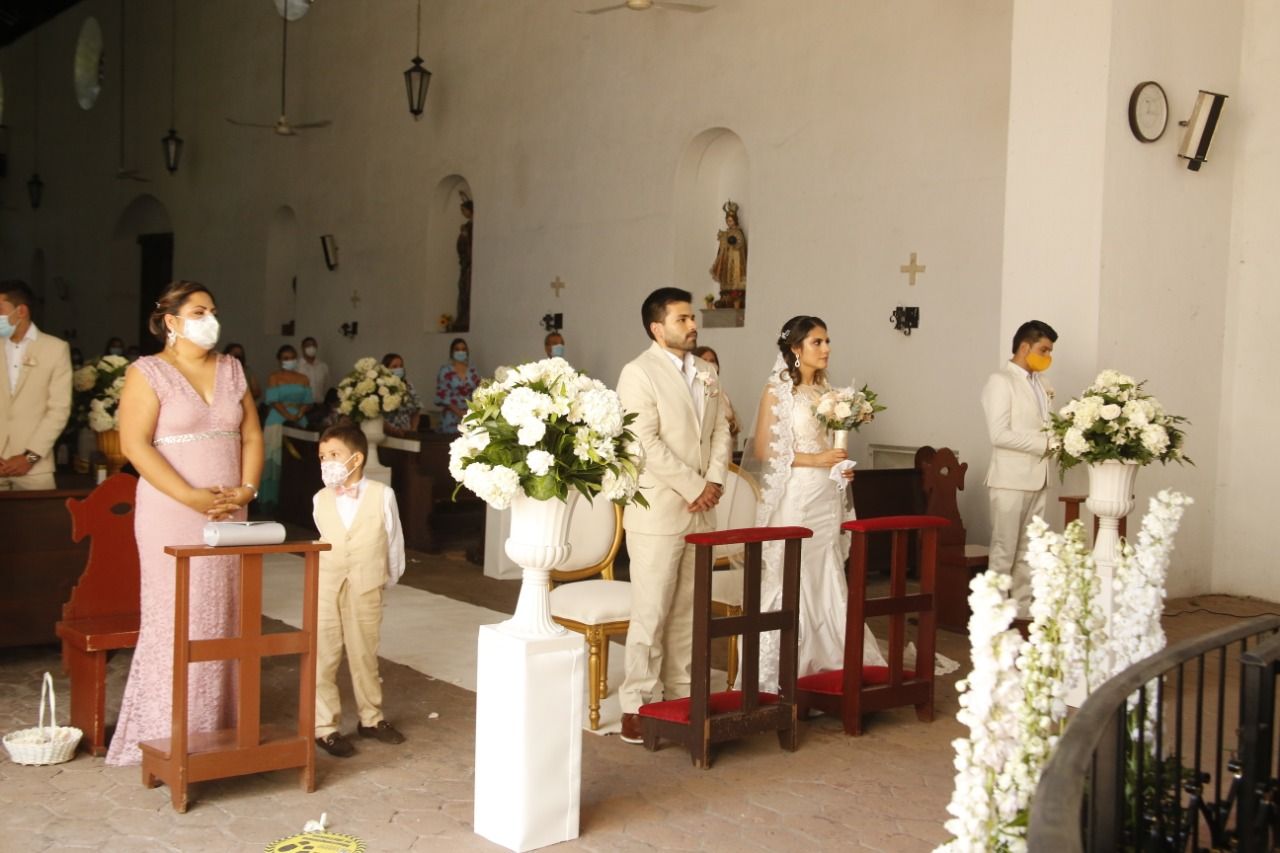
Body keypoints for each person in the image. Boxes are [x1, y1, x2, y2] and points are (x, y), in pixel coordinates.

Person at [106, 281, 264, 766]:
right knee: (178, 616)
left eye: (213, 310)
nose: (209, 319)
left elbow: (253, 434)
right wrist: (191, 496)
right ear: (171, 321)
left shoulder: (232, 368)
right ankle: (166, 734)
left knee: (225, 616)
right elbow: (134, 444)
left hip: (228, 509)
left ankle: (221, 731)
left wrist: (247, 489)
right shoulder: (148, 372)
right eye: (198, 311)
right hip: (171, 511)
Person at [740, 315, 888, 693]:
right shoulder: (778, 390)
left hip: (826, 493)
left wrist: (838, 468)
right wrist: (815, 461)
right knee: (794, 570)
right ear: (795, 349)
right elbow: (762, 450)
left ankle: (834, 659)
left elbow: (828, 446)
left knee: (827, 570)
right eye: (817, 342)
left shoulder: (827, 391)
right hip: (798, 493)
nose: (826, 349)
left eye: (827, 341)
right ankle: (781, 667)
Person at [616, 287, 732, 743]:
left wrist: (716, 480)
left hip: (701, 510)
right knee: (651, 611)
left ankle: (682, 693)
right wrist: (694, 486)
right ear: (656, 327)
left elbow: (721, 429)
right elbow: (644, 444)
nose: (692, 325)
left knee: (689, 609)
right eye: (682, 319)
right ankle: (639, 702)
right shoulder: (637, 372)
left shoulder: (706, 371)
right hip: (661, 510)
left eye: (692, 318)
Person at [312, 422, 407, 757]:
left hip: (367, 583)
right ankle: (325, 727)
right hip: (326, 584)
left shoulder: (383, 495)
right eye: (323, 456)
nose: (327, 462)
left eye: (334, 454)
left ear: (357, 458)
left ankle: (371, 719)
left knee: (364, 652)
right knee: (324, 653)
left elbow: (394, 541)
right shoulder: (320, 498)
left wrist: (386, 578)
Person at [980, 320, 1058, 619]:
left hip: (1039, 476)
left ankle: (1024, 608)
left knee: (1029, 550)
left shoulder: (1042, 384)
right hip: (1010, 479)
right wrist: (1044, 443)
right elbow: (998, 434)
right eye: (1043, 349)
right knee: (1004, 548)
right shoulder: (1001, 381)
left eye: (1050, 351)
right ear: (1025, 347)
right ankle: (995, 611)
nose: (1048, 356)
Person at [0, 281, 72, 490]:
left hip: (35, 466)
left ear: (20, 311)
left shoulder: (55, 349)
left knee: (38, 520)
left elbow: (59, 409)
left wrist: (30, 456)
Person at [260, 344, 313, 510]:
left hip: (299, 417)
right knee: (273, 457)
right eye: (285, 358)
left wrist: (298, 413)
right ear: (280, 360)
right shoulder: (275, 377)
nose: (289, 360)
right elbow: (273, 401)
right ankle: (269, 500)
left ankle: (294, 499)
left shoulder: (303, 378)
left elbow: (308, 401)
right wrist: (287, 415)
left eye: (292, 357)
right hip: (277, 418)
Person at [691, 345, 739, 448]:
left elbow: (732, 420)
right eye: (704, 360)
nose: (709, 364)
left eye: (712, 360)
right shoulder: (694, 391)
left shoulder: (722, 392)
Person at [434, 338, 480, 435]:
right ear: (452, 352)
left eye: (463, 349)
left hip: (469, 416)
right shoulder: (445, 371)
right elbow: (442, 395)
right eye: (457, 349)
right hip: (451, 416)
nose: (460, 352)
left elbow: (478, 392)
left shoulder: (472, 371)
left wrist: (469, 413)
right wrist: (459, 412)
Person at [710, 200, 747, 307]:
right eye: (728, 221)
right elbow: (721, 248)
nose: (729, 222)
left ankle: (736, 297)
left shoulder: (738, 232)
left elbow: (740, 245)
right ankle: (725, 297)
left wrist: (733, 241)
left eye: (731, 220)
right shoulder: (725, 233)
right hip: (727, 260)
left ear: (735, 221)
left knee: (736, 276)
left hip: (736, 260)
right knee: (726, 276)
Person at [381, 352, 423, 436]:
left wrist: (413, 429)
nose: (399, 369)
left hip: (406, 433)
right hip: (386, 433)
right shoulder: (381, 387)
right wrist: (392, 430)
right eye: (394, 366)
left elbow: (416, 409)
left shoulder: (408, 385)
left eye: (401, 366)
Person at [454, 193, 473, 332]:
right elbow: (461, 247)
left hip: (471, 265)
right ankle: (462, 318)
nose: (463, 213)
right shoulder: (466, 226)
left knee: (468, 290)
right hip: (465, 264)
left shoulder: (474, 227)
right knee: (463, 290)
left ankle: (466, 317)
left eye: (464, 210)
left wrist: (466, 236)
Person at [297, 336, 331, 403]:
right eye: (308, 345)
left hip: (319, 405)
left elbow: (327, 387)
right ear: (302, 348)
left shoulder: (323, 366)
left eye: (313, 345)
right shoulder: (296, 367)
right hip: (301, 406)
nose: (311, 348)